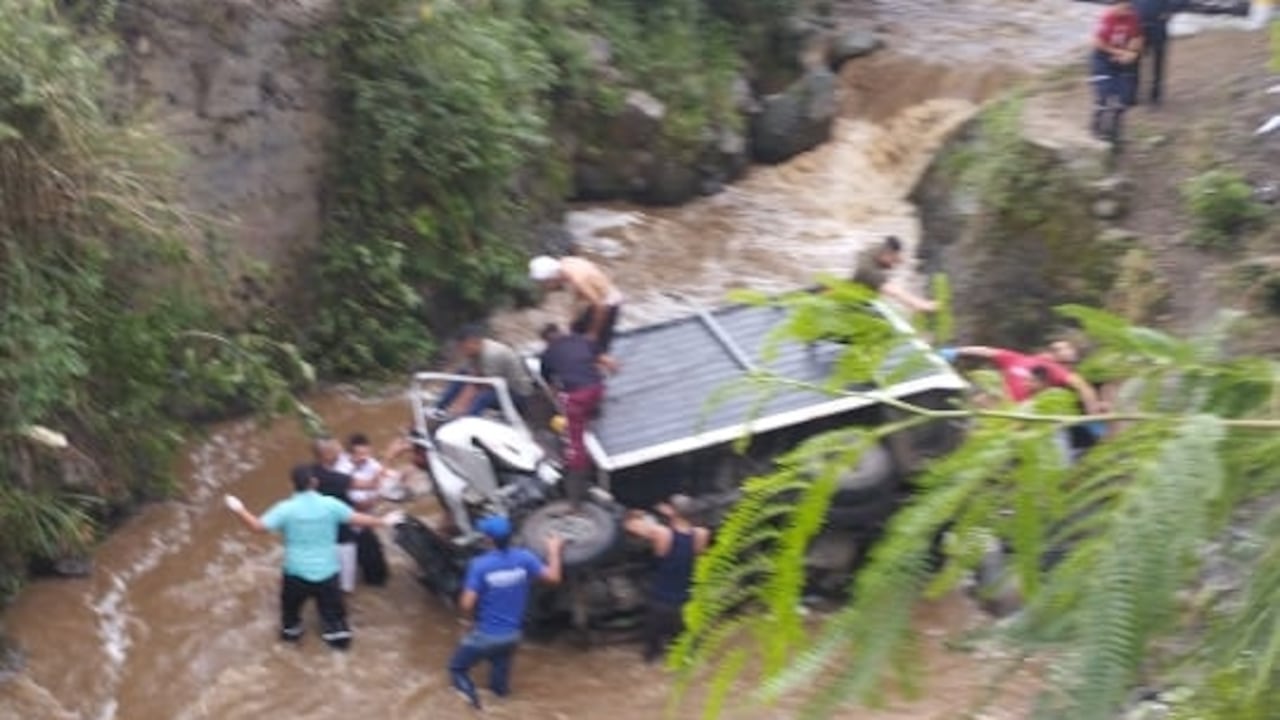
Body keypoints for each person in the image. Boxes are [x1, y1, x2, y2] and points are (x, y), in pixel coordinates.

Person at [222, 465, 402, 650]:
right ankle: (338, 648)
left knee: (290, 625)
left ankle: (290, 645)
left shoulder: (285, 509)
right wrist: (384, 521)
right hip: (327, 574)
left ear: (293, 485)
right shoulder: (330, 505)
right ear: (314, 483)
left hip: (295, 574)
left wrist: (239, 508)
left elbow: (257, 527)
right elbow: (359, 519)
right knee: (337, 629)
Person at [449, 516, 564, 710]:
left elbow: (466, 604)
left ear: (489, 540)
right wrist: (554, 550)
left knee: (457, 669)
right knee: (499, 687)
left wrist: (466, 623)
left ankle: (475, 709)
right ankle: (500, 708)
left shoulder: (480, 565)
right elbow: (554, 577)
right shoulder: (525, 558)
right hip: (512, 636)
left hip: (486, 635)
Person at [623, 495, 710, 663]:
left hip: (661, 603)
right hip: (687, 602)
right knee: (688, 653)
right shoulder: (701, 534)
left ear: (671, 511)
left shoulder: (662, 533)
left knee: (652, 655)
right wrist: (673, 514)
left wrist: (635, 514)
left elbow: (630, 525)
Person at [538, 323, 606, 510]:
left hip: (578, 397)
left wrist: (558, 405)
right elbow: (604, 361)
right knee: (588, 400)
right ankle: (594, 410)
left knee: (575, 444)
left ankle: (577, 478)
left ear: (546, 340)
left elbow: (551, 387)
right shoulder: (581, 340)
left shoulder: (547, 355)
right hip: (597, 389)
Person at [942, 343, 1102, 413]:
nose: (1052, 352)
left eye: (1062, 350)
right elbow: (986, 352)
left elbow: (1082, 386)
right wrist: (956, 351)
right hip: (997, 404)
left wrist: (1093, 411)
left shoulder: (1054, 369)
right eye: (1054, 348)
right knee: (980, 397)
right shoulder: (1017, 358)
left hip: (1016, 414)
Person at [528, 255, 624, 359]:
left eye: (544, 284)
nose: (543, 287)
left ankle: (601, 362)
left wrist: (593, 334)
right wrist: (574, 319)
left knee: (594, 347)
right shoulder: (565, 263)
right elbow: (580, 296)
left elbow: (600, 306)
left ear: (552, 278)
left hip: (608, 304)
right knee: (574, 336)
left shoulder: (578, 280)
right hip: (593, 300)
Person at [435, 324, 535, 419]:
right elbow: (473, 375)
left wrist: (461, 406)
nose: (462, 351)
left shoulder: (492, 354)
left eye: (463, 347)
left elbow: (483, 385)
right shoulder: (476, 351)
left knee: (483, 396)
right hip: (498, 386)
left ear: (472, 342)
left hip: (517, 394)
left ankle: (468, 420)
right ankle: (439, 408)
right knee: (461, 374)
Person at [335, 433, 390, 586]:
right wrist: (380, 494)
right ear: (350, 455)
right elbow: (362, 505)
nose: (365, 458)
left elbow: (384, 474)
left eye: (367, 454)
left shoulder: (369, 462)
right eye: (360, 455)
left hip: (363, 521)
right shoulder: (342, 472)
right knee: (375, 570)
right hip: (349, 525)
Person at [1089, 0, 1144, 139]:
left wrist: (1131, 52)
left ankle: (1115, 130)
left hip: (1122, 59)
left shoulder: (1132, 17)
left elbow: (1137, 37)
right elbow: (1096, 42)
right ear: (1116, 5)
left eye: (1128, 6)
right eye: (1124, 6)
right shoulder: (1106, 18)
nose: (1127, 9)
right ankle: (1096, 126)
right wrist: (1116, 52)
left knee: (1123, 96)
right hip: (1103, 59)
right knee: (1105, 93)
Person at [311, 437, 359, 593]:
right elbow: (370, 484)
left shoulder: (310, 472)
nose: (340, 450)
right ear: (327, 455)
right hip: (343, 534)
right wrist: (389, 457)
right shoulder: (335, 479)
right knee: (345, 583)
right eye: (336, 449)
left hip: (320, 531)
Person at [849, 236, 937, 313]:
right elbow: (894, 291)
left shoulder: (877, 249)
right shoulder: (869, 270)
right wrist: (921, 304)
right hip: (856, 303)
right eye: (893, 260)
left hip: (863, 292)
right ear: (888, 253)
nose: (894, 265)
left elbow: (897, 259)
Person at [1133, 0, 1178, 106]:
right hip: (1138, 27)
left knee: (1158, 62)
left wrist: (1170, 10)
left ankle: (1156, 95)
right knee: (1134, 61)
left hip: (1158, 27)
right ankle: (1133, 93)